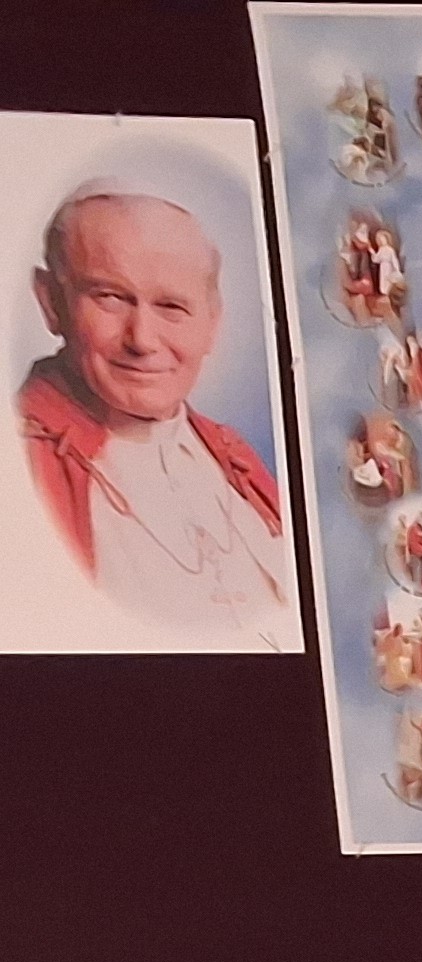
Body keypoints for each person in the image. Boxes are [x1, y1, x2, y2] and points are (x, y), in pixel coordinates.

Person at [19, 186, 296, 647]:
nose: (142, 340)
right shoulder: (23, 465)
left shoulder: (232, 454)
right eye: (110, 297)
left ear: (212, 323)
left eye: (172, 307)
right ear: (51, 302)